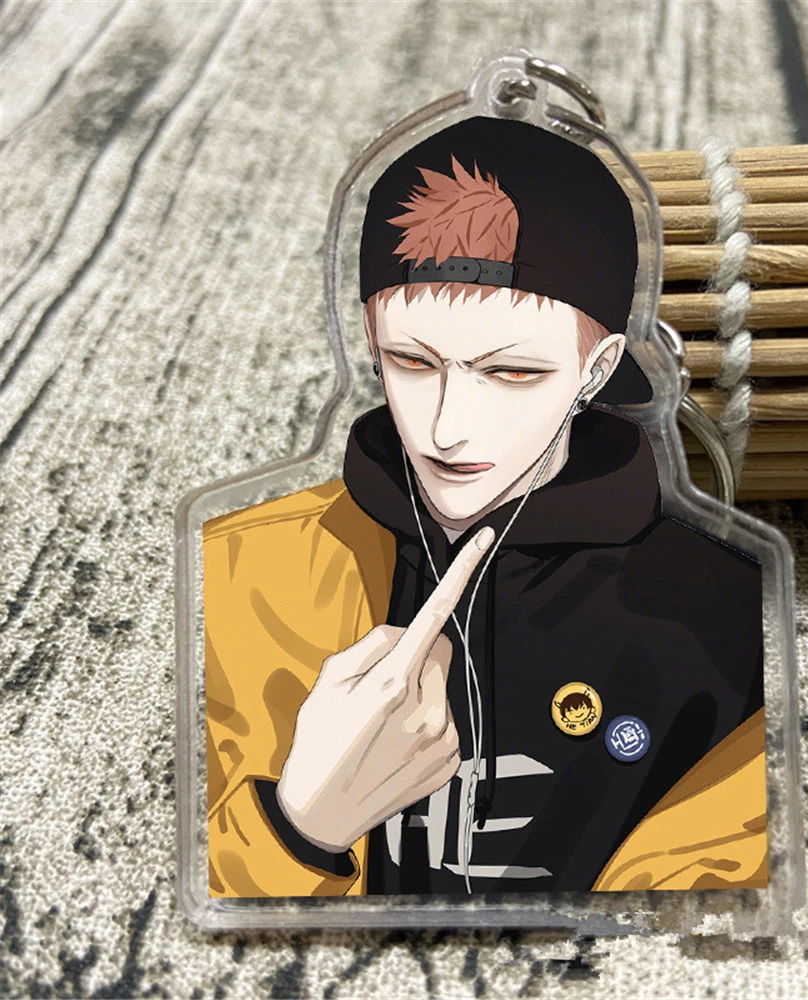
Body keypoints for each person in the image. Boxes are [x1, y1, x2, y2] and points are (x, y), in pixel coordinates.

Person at [204, 117, 766, 898]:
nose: (447, 428)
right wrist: (300, 827)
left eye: (511, 373)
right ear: (369, 336)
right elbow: (192, 891)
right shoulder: (243, 571)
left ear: (598, 368)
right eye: (411, 361)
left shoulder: (723, 618)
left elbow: (703, 902)